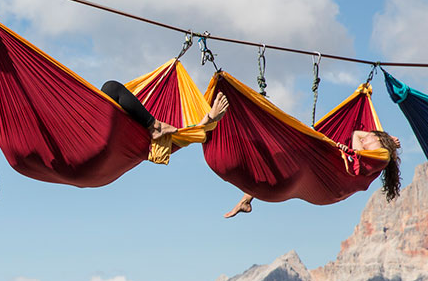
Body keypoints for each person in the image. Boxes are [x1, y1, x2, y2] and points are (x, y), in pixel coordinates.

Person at [224, 130, 402, 218]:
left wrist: (387, 141)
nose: (363, 139)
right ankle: (246, 200)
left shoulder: (381, 156)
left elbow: (356, 161)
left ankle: (246, 197)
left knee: (290, 152)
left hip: (332, 181)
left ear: (378, 139)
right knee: (283, 161)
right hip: (330, 177)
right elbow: (356, 135)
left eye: (368, 137)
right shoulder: (372, 154)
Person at [101, 80, 229, 141]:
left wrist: (207, 120)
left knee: (110, 90)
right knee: (110, 88)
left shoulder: (136, 140)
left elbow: (172, 139)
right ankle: (155, 125)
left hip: (99, 150)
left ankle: (154, 126)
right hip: (95, 144)